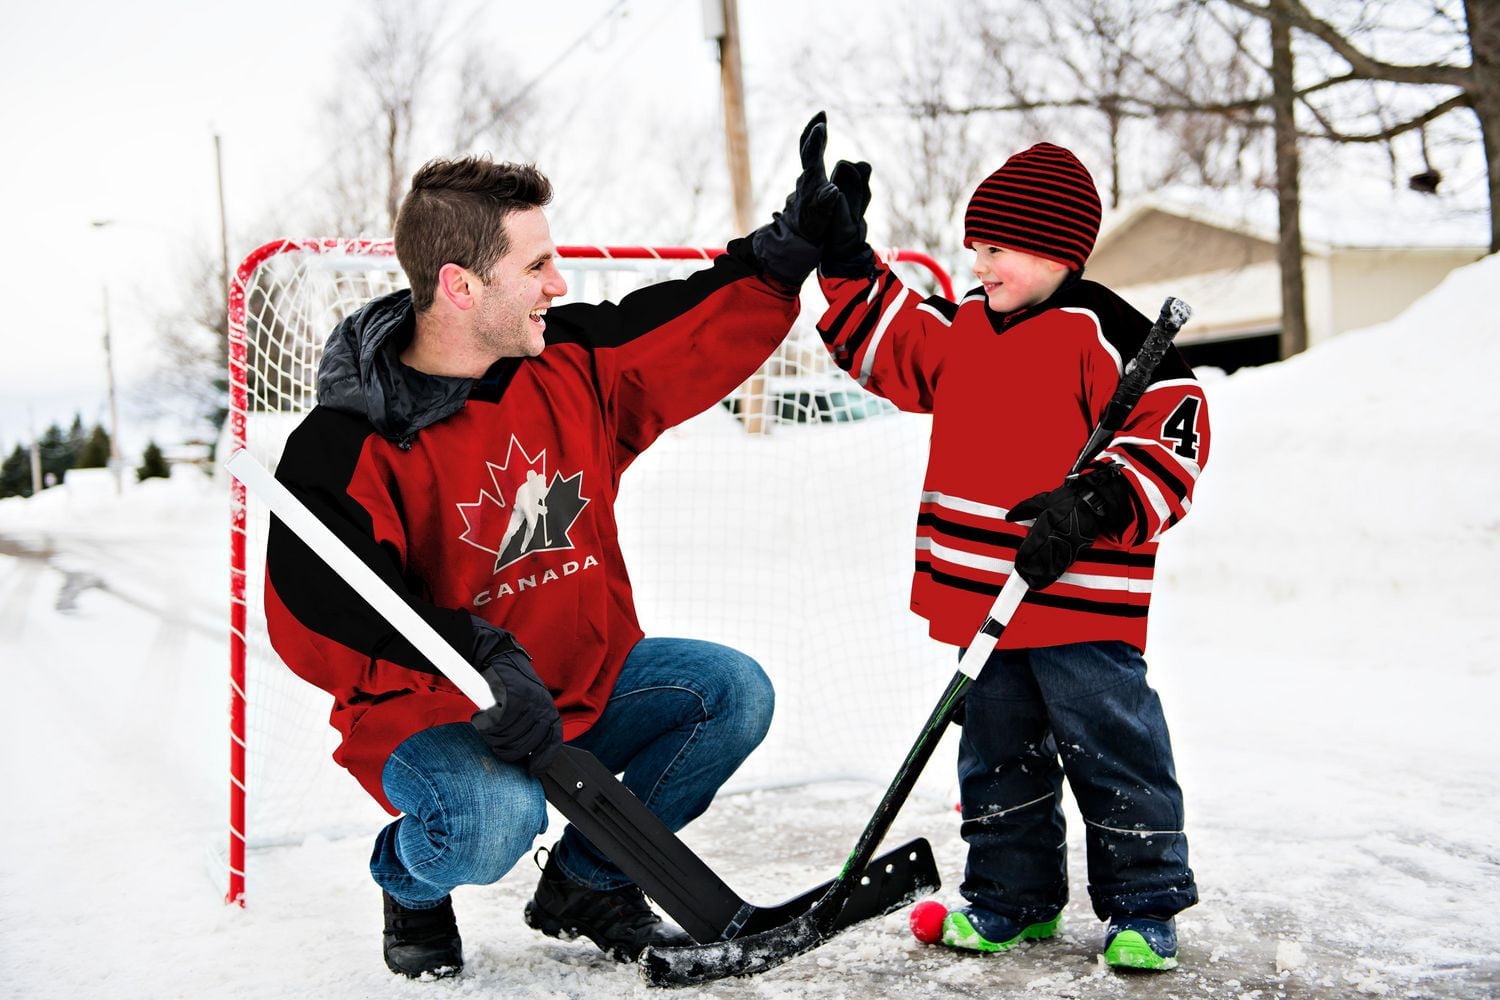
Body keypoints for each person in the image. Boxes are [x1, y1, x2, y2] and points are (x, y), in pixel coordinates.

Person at [264, 114, 843, 979]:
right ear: (461, 286)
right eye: (535, 266)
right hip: (439, 713)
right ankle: (406, 879)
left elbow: (680, 331)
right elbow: (318, 609)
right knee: (491, 824)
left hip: (582, 677)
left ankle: (589, 883)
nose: (557, 282)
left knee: (730, 692)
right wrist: (476, 653)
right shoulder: (346, 443)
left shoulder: (568, 362)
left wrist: (782, 254)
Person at [810, 142, 1210, 971]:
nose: (978, 262)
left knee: (1115, 750)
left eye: (997, 247)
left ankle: (1144, 906)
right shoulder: (966, 327)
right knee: (995, 756)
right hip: (984, 601)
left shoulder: (1106, 330)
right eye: (976, 246)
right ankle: (1011, 899)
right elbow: (893, 341)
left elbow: (1178, 427)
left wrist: (1098, 499)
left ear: (1056, 248)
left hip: (1078, 606)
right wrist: (846, 255)